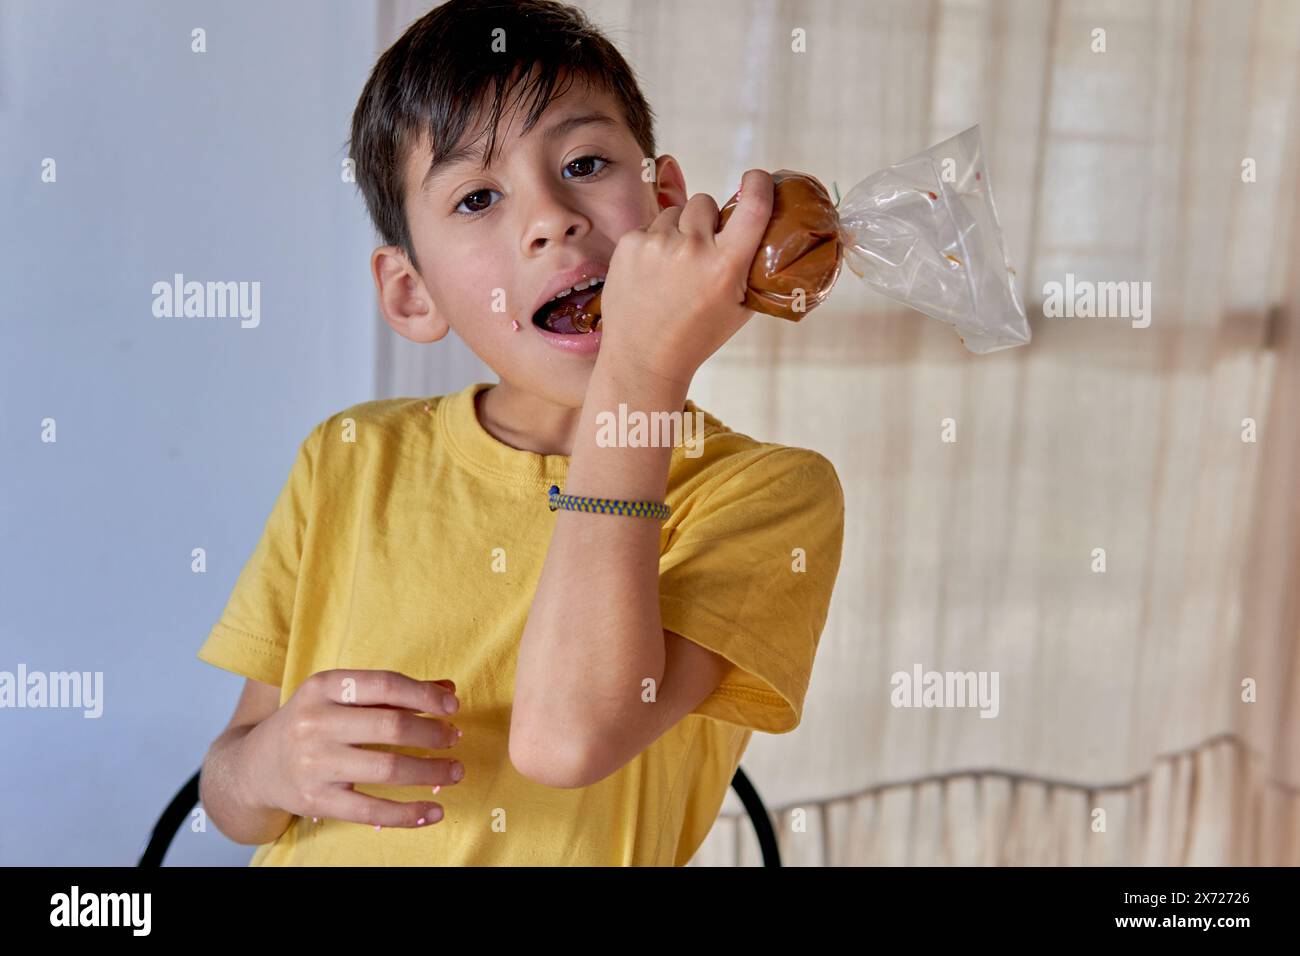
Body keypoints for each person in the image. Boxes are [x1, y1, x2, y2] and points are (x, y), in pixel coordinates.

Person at [196, 0, 845, 866]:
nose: (553, 217)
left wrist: (642, 377)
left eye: (584, 162)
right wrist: (269, 766)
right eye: (476, 197)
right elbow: (230, 789)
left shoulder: (768, 494)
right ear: (412, 293)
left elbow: (565, 741)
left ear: (664, 204)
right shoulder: (346, 459)